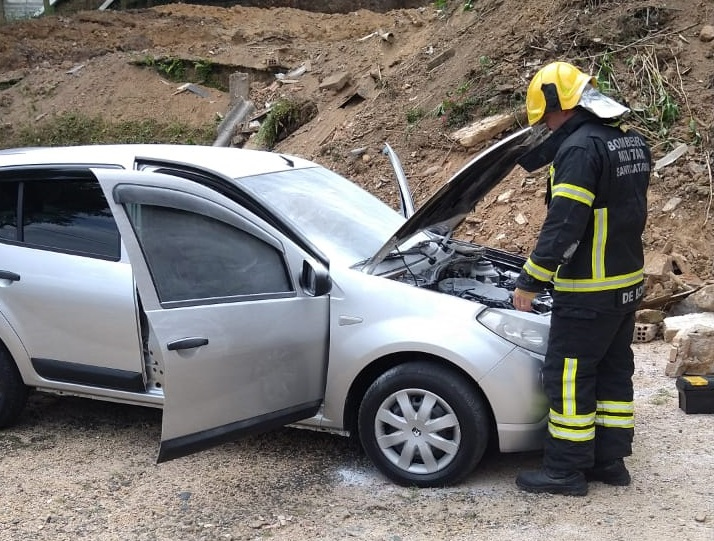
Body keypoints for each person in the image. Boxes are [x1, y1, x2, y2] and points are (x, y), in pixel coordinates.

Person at [512, 61, 651, 496]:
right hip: (625, 282)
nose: (546, 126)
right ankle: (609, 461)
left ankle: (564, 470)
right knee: (612, 372)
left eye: (547, 116)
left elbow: (565, 222)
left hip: (588, 288)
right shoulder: (626, 142)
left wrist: (531, 279)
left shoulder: (578, 150)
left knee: (568, 376)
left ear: (561, 105)